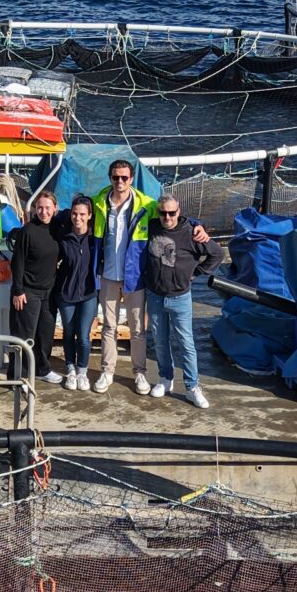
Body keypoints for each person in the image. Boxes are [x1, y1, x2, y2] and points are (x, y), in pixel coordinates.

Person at [89, 159, 157, 393]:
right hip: (108, 276)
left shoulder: (147, 206)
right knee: (109, 326)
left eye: (124, 178)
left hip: (134, 277)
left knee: (138, 329)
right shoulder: (99, 202)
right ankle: (107, 372)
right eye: (115, 177)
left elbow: (173, 218)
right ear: (110, 178)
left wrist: (196, 226)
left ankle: (139, 373)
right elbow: (75, 217)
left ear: (131, 178)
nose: (120, 182)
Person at [141, 195, 214, 407]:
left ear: (179, 211)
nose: (167, 217)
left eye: (172, 213)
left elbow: (216, 254)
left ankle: (192, 386)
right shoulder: (152, 226)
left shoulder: (190, 232)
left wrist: (197, 272)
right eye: (163, 213)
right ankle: (166, 378)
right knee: (160, 341)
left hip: (180, 297)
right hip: (155, 295)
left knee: (186, 344)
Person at [49, 195, 104, 390]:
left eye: (82, 214)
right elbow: (48, 218)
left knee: (83, 335)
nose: (77, 218)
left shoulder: (95, 239)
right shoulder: (62, 234)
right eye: (74, 213)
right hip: (65, 293)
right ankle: (70, 369)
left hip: (88, 294)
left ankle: (82, 371)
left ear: (90, 215)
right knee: (68, 332)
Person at [9, 191, 61, 382]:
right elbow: (17, 263)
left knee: (45, 334)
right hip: (28, 292)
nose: (43, 212)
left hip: (49, 292)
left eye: (47, 208)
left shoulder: (57, 228)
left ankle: (43, 370)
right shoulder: (27, 232)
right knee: (24, 336)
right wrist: (18, 290)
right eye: (39, 208)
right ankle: (15, 376)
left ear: (55, 209)